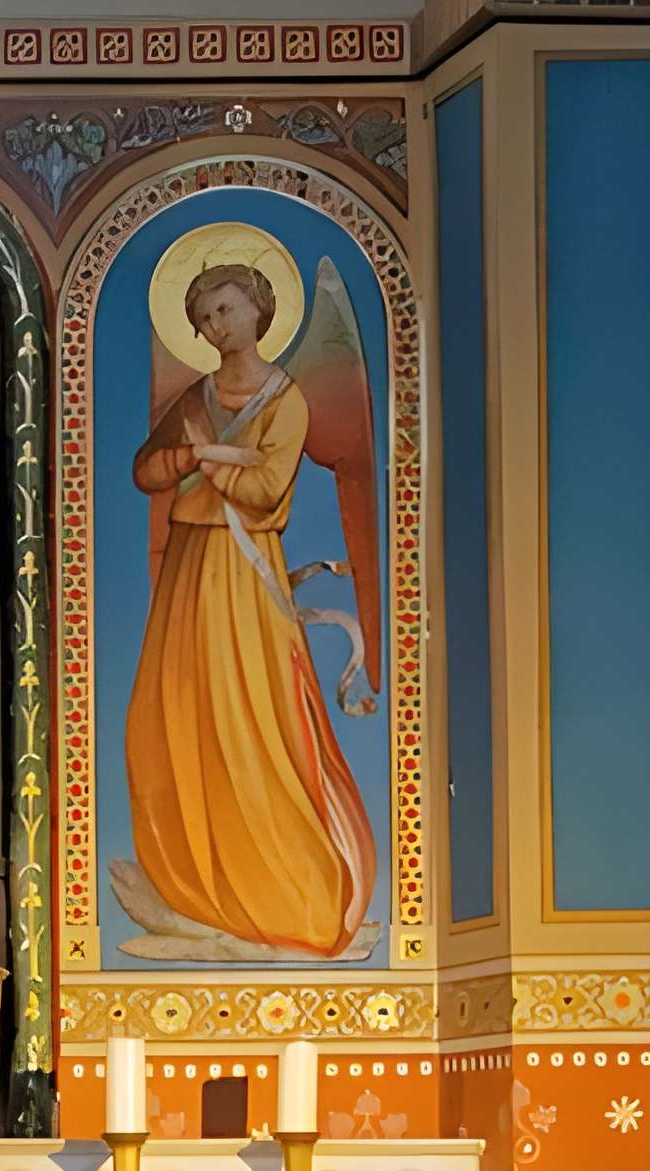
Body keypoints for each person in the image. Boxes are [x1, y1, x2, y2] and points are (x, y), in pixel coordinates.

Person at [122, 262, 375, 958]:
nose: (215, 326)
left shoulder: (285, 401)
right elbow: (145, 469)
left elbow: (265, 490)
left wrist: (207, 457)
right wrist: (188, 457)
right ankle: (199, 886)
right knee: (170, 715)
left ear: (260, 310)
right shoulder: (198, 396)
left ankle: (284, 892)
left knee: (249, 720)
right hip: (188, 569)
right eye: (204, 317)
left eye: (226, 309)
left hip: (242, 576)